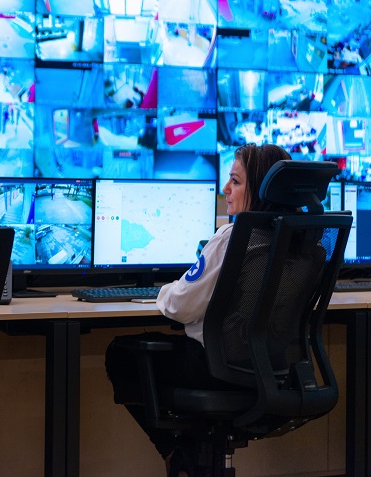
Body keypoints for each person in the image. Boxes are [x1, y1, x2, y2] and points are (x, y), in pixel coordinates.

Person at [105, 143, 293, 476]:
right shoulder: (301, 241)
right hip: (276, 372)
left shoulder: (235, 237)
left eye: (235, 181)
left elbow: (180, 305)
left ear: (261, 187)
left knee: (121, 355)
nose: (225, 189)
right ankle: (189, 456)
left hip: (217, 369)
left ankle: (177, 453)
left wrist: (162, 291)